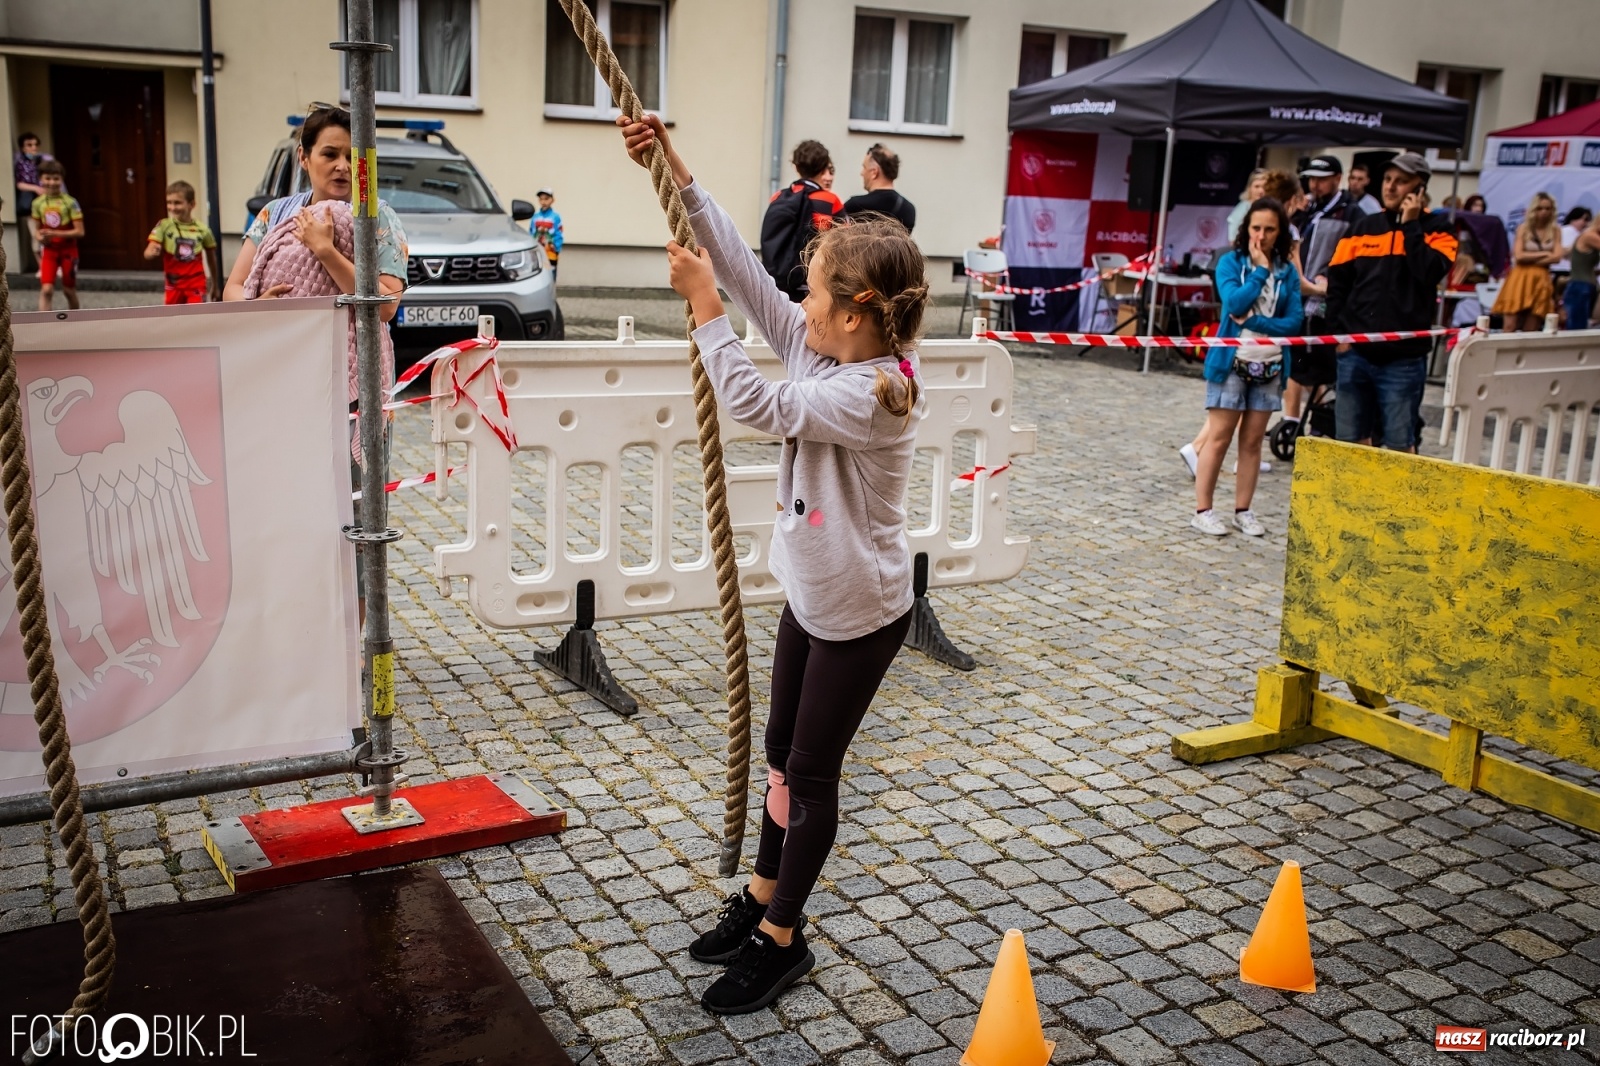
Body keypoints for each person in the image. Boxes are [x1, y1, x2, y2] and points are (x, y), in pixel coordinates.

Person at [618, 111, 926, 1016]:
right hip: (811, 594)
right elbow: (752, 278)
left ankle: (784, 938)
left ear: (859, 314)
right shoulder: (829, 345)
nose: (801, 301)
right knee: (781, 757)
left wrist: (704, 310)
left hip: (860, 615)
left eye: (818, 292)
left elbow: (754, 401)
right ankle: (758, 894)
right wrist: (675, 167)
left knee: (815, 773)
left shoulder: (872, 390)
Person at [222, 105, 407, 622]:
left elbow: (387, 304)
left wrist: (325, 251)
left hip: (356, 396)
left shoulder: (379, 216)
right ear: (304, 157)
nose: (343, 166)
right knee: (288, 513)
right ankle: (301, 632)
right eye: (330, 153)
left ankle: (360, 640)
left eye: (354, 156)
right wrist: (255, 307)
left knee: (359, 516)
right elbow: (233, 288)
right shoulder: (274, 215)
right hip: (284, 390)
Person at [1325, 152, 1456, 452]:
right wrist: (1338, 335)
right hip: (1355, 352)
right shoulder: (1362, 227)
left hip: (1403, 359)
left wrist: (1411, 227)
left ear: (1419, 188)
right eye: (1387, 180)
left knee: (1399, 443)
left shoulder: (1440, 229)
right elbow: (1337, 284)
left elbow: (1429, 272)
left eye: (1401, 181)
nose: (1391, 187)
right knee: (1348, 440)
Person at [1191, 198, 1302, 537]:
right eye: (1256, 228)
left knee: (1252, 442)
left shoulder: (1288, 272)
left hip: (1269, 367)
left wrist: (1256, 322)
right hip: (1231, 363)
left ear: (1280, 232)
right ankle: (1203, 510)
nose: (1262, 235)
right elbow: (1233, 303)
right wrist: (1259, 271)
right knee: (1219, 438)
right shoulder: (1230, 262)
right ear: (1246, 229)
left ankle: (1244, 509)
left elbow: (1294, 322)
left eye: (1270, 229)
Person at [1279, 156, 1364, 439]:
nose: (1314, 184)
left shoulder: (1351, 214)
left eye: (1321, 178)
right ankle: (1290, 420)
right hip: (1298, 298)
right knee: (1295, 361)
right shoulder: (1304, 211)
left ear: (1337, 178)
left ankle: (1318, 424)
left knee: (1322, 370)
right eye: (1311, 178)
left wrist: (1331, 281)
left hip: (1327, 300)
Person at [760, 140, 844, 302]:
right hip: (814, 288)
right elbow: (846, 243)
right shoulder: (829, 200)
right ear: (823, 167)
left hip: (778, 288)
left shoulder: (778, 197)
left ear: (796, 167)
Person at [1492, 192, 1562, 332]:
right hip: (1520, 277)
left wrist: (1530, 257)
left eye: (1548, 209)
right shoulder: (1524, 228)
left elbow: (1557, 257)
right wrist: (1545, 253)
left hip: (1541, 278)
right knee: (1509, 325)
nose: (1544, 212)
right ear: (1533, 210)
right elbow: (1518, 256)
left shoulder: (1555, 230)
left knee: (1532, 326)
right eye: (1540, 208)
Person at [144, 180, 221, 304]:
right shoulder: (163, 226)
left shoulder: (203, 230)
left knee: (196, 316)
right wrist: (151, 252)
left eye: (177, 203)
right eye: (169, 202)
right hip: (173, 284)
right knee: (173, 318)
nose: (172, 207)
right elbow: (148, 251)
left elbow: (212, 259)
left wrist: (215, 285)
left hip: (196, 283)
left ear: (192, 204)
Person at [29, 160, 82, 313]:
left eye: (56, 178)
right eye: (48, 178)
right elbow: (37, 230)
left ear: (61, 179)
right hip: (50, 251)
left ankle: (77, 321)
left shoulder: (70, 203)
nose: (52, 182)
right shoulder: (37, 203)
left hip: (68, 251)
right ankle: (43, 324)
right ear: (41, 179)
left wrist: (56, 233)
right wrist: (39, 237)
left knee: (68, 290)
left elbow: (80, 232)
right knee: (46, 290)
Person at [843, 143, 916, 234]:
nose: (862, 173)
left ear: (874, 172)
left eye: (864, 167)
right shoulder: (908, 209)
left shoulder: (854, 206)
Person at [13, 132, 53, 273]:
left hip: (47, 203)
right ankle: (42, 266)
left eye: (35, 145)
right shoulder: (21, 163)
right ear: (23, 148)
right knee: (35, 233)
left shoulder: (43, 161)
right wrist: (35, 188)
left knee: (50, 232)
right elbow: (20, 184)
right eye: (29, 145)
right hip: (32, 204)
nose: (33, 148)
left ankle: (53, 264)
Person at [1563, 212, 1600, 330]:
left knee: (1583, 326)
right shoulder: (1590, 236)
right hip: (1579, 286)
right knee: (1576, 328)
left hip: (1585, 286)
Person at [1225, 169, 1268, 242]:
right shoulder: (1243, 207)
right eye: (1257, 186)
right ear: (1249, 188)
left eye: (1264, 187)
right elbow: (1233, 239)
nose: (1261, 191)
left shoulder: (1271, 208)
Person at [531, 187, 563, 277]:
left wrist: (556, 247)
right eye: (541, 199)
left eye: (546, 199)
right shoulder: (535, 217)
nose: (543, 202)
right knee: (537, 274)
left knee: (551, 274)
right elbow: (531, 232)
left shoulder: (555, 217)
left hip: (550, 252)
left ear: (552, 200)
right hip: (537, 251)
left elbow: (559, 233)